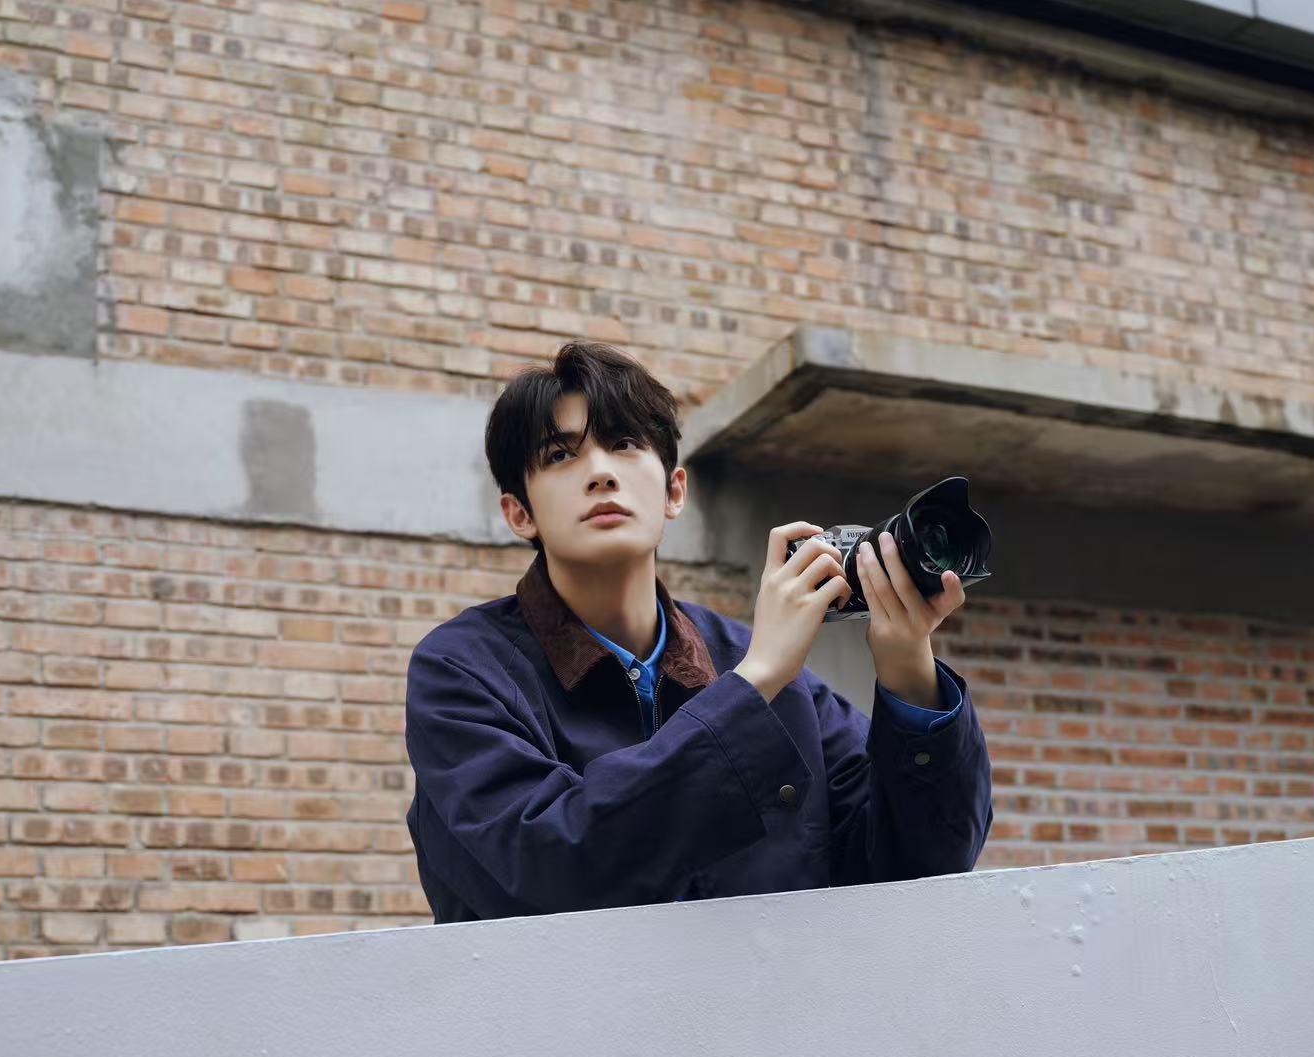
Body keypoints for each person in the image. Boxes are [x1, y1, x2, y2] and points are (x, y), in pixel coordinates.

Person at [404, 340, 992, 923]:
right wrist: (752, 684)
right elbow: (550, 863)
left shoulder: (757, 666)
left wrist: (908, 669)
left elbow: (923, 865)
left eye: (624, 443)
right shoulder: (462, 671)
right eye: (560, 455)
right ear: (519, 513)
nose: (600, 473)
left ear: (674, 491)